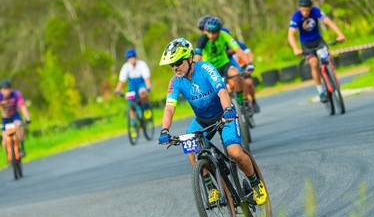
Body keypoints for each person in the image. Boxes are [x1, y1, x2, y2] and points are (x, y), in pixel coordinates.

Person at [157, 37, 267, 205]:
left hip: (224, 114)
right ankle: (211, 188)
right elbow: (169, 108)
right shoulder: (175, 81)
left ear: (190, 58)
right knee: (190, 146)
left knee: (235, 153)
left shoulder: (206, 68)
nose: (175, 68)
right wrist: (165, 130)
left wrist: (228, 110)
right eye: (171, 65)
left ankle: (255, 183)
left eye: (178, 62)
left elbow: (222, 91)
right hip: (202, 120)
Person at [287, 0, 346, 103]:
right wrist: (295, 48)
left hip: (318, 41)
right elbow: (291, 34)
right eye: (302, 10)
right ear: (299, 9)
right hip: (306, 45)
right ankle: (320, 91)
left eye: (307, 10)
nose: (305, 13)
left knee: (328, 58)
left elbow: (328, 22)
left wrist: (340, 34)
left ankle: (333, 78)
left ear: (311, 8)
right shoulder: (296, 16)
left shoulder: (316, 11)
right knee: (314, 63)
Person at [194, 17, 258, 112]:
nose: (211, 35)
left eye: (214, 33)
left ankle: (241, 100)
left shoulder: (224, 35)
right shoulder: (202, 39)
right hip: (210, 68)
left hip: (224, 63)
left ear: (219, 31)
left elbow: (238, 50)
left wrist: (249, 64)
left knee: (236, 74)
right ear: (206, 31)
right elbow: (197, 57)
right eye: (209, 32)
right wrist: (196, 73)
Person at [0, 79, 30, 156]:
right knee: (4, 140)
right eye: (4, 89)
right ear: (1, 90)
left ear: (11, 89)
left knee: (19, 126)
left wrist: (27, 118)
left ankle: (22, 148)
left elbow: (22, 106)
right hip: (5, 119)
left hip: (15, 116)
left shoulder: (16, 94)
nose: (6, 92)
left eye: (8, 89)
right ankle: (9, 155)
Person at [114, 48, 153, 121]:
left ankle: (146, 110)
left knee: (142, 93)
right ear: (128, 59)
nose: (132, 59)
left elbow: (146, 78)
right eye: (129, 57)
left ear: (135, 57)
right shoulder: (125, 67)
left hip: (141, 84)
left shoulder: (142, 64)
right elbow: (121, 80)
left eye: (133, 57)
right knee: (130, 100)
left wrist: (148, 87)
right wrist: (117, 89)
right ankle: (134, 121)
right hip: (132, 87)